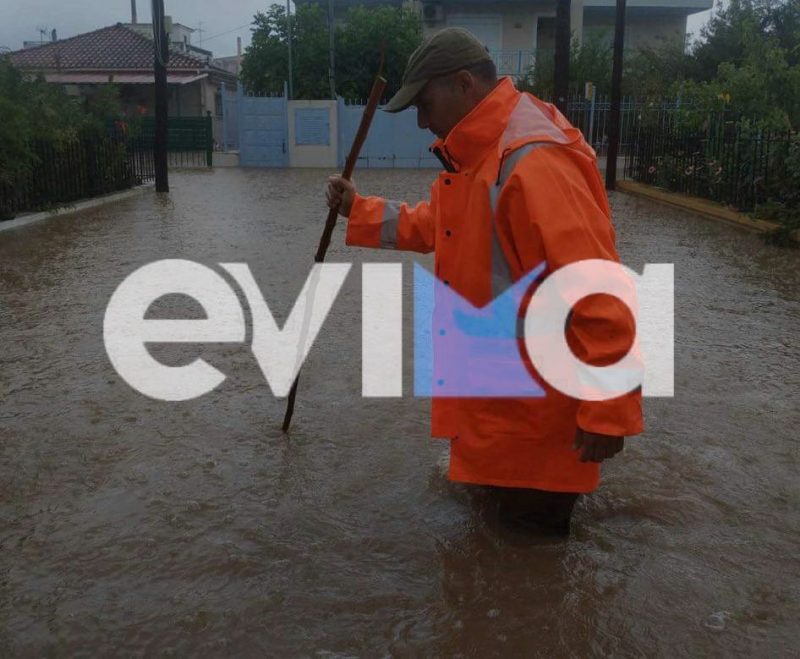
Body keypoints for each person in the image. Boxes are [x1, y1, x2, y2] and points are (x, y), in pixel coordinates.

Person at [326, 28, 643, 534]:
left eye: (424, 104)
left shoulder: (532, 159)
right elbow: (440, 226)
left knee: (529, 572)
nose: (422, 120)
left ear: (464, 83)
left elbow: (599, 290)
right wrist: (357, 211)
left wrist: (608, 411)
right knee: (498, 568)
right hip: (500, 409)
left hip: (534, 423)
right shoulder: (483, 155)